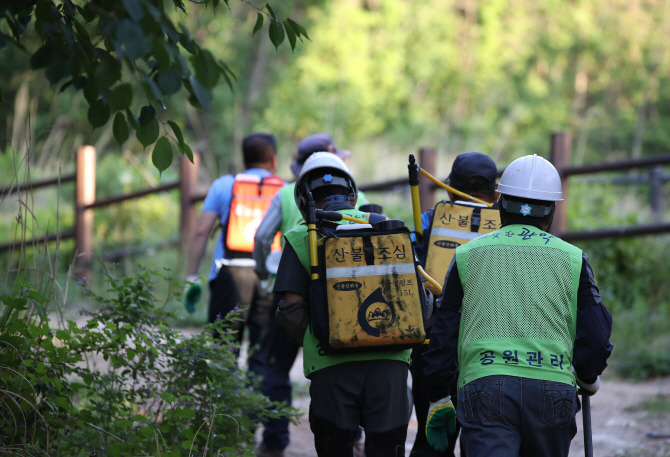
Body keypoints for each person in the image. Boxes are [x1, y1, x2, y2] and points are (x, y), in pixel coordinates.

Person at [423, 154, 613, 457]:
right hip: (552, 393)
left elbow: (444, 332)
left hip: (485, 388)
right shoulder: (573, 258)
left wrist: (437, 396)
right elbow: (597, 336)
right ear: (550, 210)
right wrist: (587, 376)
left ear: (500, 204)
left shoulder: (467, 255)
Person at [273, 152, 411, 457]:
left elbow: (291, 310)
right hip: (390, 363)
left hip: (330, 365)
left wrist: (323, 335)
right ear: (353, 195)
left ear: (302, 200)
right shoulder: (386, 227)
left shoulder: (300, 238)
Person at [250, 133, 368, 457]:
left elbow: (262, 238)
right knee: (351, 362)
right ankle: (354, 436)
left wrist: (263, 273)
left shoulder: (286, 193)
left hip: (291, 292)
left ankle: (275, 441)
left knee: (275, 368)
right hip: (351, 300)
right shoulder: (357, 197)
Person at [410, 152, 500, 457]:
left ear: (450, 188)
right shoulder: (507, 224)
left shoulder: (428, 221)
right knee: (484, 438)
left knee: (432, 437)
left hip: (434, 346)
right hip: (490, 344)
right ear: (495, 193)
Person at [186, 132, 283, 351]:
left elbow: (202, 231)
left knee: (224, 350)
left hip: (229, 274)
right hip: (270, 277)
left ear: (244, 159)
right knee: (263, 351)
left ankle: (225, 387)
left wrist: (192, 277)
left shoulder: (223, 185)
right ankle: (257, 385)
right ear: (274, 160)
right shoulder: (284, 190)